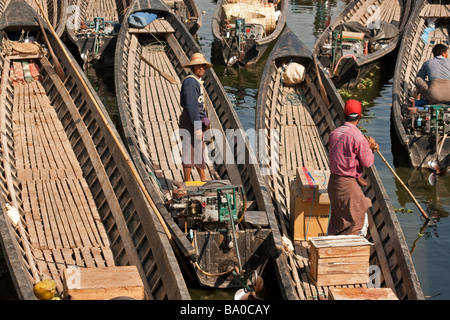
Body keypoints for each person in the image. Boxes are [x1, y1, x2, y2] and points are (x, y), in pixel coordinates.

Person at [327, 99, 379, 236]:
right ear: (360, 117)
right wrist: (370, 147)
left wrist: (368, 148)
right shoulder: (358, 137)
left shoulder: (334, 134)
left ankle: (333, 247)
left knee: (338, 220)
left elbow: (344, 155)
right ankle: (347, 253)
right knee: (356, 222)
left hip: (333, 183)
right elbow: (367, 162)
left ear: (344, 115)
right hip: (347, 186)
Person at [179, 52, 212, 182]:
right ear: (192, 68)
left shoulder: (196, 81)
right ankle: (187, 181)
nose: (201, 69)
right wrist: (197, 127)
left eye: (203, 66)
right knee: (189, 150)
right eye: (198, 66)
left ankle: (203, 179)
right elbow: (191, 106)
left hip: (195, 120)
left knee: (198, 150)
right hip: (191, 120)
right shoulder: (190, 83)